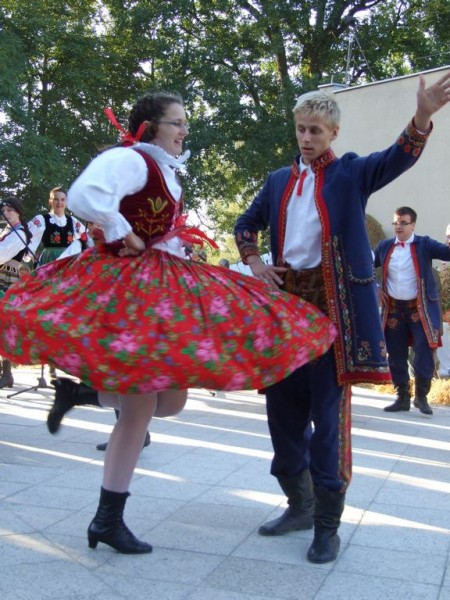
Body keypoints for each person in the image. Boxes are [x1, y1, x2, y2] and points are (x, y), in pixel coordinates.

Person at [0, 91, 336, 554]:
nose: (184, 131)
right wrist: (123, 232)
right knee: (138, 410)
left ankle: (79, 395)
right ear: (150, 128)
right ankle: (107, 519)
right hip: (131, 290)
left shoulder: (163, 169)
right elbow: (83, 196)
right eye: (176, 122)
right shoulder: (133, 160)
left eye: (184, 123)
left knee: (172, 400)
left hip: (160, 284)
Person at [234, 71, 450, 564]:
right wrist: (255, 261)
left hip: (334, 317)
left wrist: (421, 117)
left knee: (327, 420)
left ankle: (327, 525)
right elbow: (246, 224)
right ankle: (299, 505)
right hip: (286, 314)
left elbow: (398, 156)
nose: (307, 138)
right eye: (301, 129)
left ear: (333, 132)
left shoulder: (351, 173)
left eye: (316, 130)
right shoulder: (278, 181)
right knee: (282, 414)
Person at [374, 207, 450, 416]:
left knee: (424, 352)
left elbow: (447, 253)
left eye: (403, 223)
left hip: (419, 309)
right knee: (395, 354)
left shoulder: (424, 244)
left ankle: (421, 397)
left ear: (413, 225)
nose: (398, 227)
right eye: (396, 223)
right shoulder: (385, 246)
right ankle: (402, 398)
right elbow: (365, 264)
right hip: (394, 310)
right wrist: (375, 286)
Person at [0, 197, 33, 388]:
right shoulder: (6, 231)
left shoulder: (19, 233)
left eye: (10, 210)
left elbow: (1, 255)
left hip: (7, 280)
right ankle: (4, 372)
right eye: (4, 210)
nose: (6, 213)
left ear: (18, 212)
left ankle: (7, 373)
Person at [28, 186, 86, 265]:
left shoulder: (72, 221)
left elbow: (86, 236)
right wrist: (29, 254)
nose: (59, 203)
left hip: (67, 259)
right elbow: (27, 235)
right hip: (49, 259)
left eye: (62, 199)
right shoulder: (42, 220)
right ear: (50, 201)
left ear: (66, 202)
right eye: (56, 199)